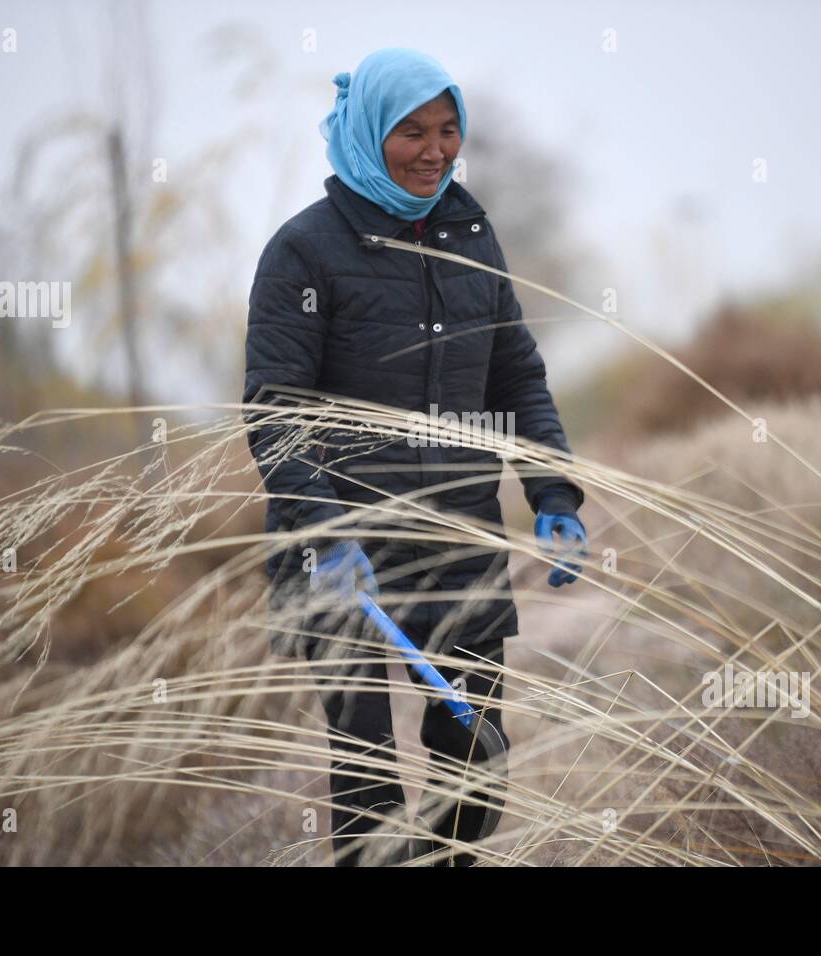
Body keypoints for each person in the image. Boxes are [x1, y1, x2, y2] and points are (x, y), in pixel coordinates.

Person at [242, 47, 589, 866]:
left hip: (459, 542)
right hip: (344, 557)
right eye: (412, 132)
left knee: (477, 768)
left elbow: (516, 375)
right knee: (369, 789)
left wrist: (554, 493)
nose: (436, 150)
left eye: (448, 130)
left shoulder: (473, 238)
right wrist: (326, 534)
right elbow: (274, 414)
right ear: (368, 133)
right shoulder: (305, 252)